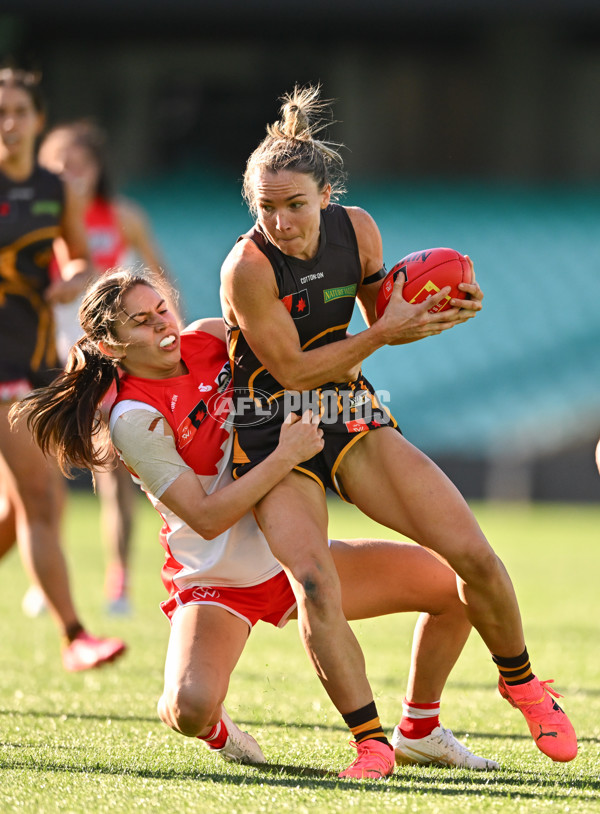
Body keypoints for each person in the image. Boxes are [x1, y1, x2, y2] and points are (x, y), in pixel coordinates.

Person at [10, 268, 500, 778]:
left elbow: (300, 350)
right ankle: (217, 727)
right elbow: (204, 518)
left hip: (292, 553)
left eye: (161, 310)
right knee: (189, 708)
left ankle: (419, 729)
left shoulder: (211, 336)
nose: (163, 326)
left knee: (457, 589)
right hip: (218, 580)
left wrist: (407, 311)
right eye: (142, 322)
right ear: (111, 346)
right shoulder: (134, 417)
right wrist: (286, 456)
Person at [219, 84, 577, 772]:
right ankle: (373, 744)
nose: (281, 223)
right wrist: (385, 331)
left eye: (295, 205)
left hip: (345, 409)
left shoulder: (359, 232)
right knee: (316, 585)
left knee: (471, 553)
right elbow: (291, 371)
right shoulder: (248, 268)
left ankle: (523, 684)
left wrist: (435, 314)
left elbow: (386, 320)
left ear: (326, 196)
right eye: (266, 209)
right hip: (268, 425)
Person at [0, 67, 126, 670]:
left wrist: (73, 278)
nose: (9, 122)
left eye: (19, 111)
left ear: (37, 120)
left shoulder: (58, 191)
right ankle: (75, 635)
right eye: (0, 112)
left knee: (23, 505)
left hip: (39, 360)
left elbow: (78, 257)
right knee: (40, 499)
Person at [33, 119, 174, 614]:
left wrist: (162, 326)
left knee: (112, 467)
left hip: (105, 357)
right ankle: (46, 574)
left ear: (97, 170)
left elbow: (157, 277)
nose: (69, 173)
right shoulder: (32, 218)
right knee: (43, 470)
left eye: (79, 164)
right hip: (46, 355)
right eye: (58, 164)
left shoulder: (122, 216)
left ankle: (120, 583)